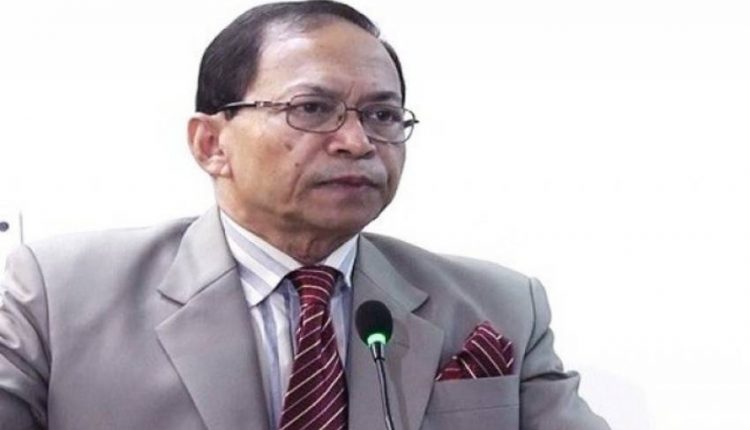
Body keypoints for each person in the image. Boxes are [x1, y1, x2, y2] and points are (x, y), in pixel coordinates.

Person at [0, 1, 610, 429]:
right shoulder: (56, 295)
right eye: (312, 109)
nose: (357, 142)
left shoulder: (500, 305)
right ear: (211, 144)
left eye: (382, 115)